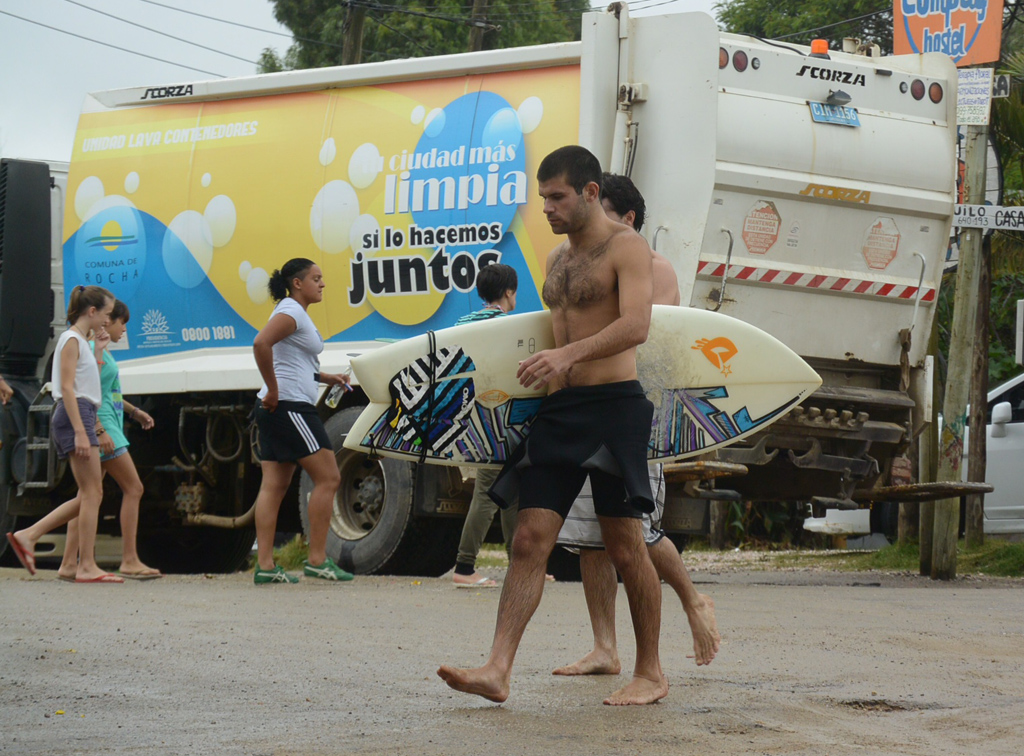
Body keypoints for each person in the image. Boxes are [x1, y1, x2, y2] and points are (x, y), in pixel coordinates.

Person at [438, 145, 668, 706]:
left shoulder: (629, 247)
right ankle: (497, 668)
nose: (547, 208)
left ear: (590, 192)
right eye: (543, 198)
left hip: (615, 406)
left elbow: (636, 325)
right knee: (528, 538)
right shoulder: (554, 261)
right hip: (561, 410)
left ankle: (652, 672)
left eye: (558, 196)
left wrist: (569, 358)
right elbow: (552, 336)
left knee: (623, 544)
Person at [553, 174, 720, 675]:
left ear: (625, 221)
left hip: (634, 416)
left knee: (638, 533)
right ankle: (605, 648)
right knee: (589, 537)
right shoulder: (579, 264)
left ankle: (693, 601)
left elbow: (642, 337)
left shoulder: (653, 266)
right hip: (586, 413)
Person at [11, 301, 162, 581]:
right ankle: (123, 559)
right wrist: (97, 429)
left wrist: (134, 411)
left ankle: (69, 562)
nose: (119, 327)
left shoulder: (92, 345)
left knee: (87, 495)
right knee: (129, 488)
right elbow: (79, 391)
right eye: (117, 320)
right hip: (99, 422)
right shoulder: (80, 342)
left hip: (104, 420)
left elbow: (102, 388)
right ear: (97, 314)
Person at [6, 285, 119, 583]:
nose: (108, 320)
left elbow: (84, 380)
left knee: (89, 492)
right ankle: (83, 564)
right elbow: (68, 388)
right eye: (106, 314)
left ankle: (49, 548)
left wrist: (98, 352)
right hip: (75, 415)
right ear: (92, 312)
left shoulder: (81, 341)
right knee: (93, 493)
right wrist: (82, 432)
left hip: (81, 412)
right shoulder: (70, 339)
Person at [252, 257, 353, 585]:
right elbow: (261, 343)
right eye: (316, 278)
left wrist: (327, 377)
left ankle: (265, 566)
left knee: (275, 485)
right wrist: (275, 390)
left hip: (278, 405)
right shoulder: (292, 311)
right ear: (298, 283)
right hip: (290, 406)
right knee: (329, 478)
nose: (323, 284)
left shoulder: (292, 312)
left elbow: (290, 360)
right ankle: (318, 560)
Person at [451, 264, 520, 588]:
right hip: (499, 418)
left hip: (474, 415)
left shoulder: (463, 323)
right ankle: (464, 568)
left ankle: (521, 563)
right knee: (489, 493)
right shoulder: (506, 326)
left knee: (511, 493)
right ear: (508, 292)